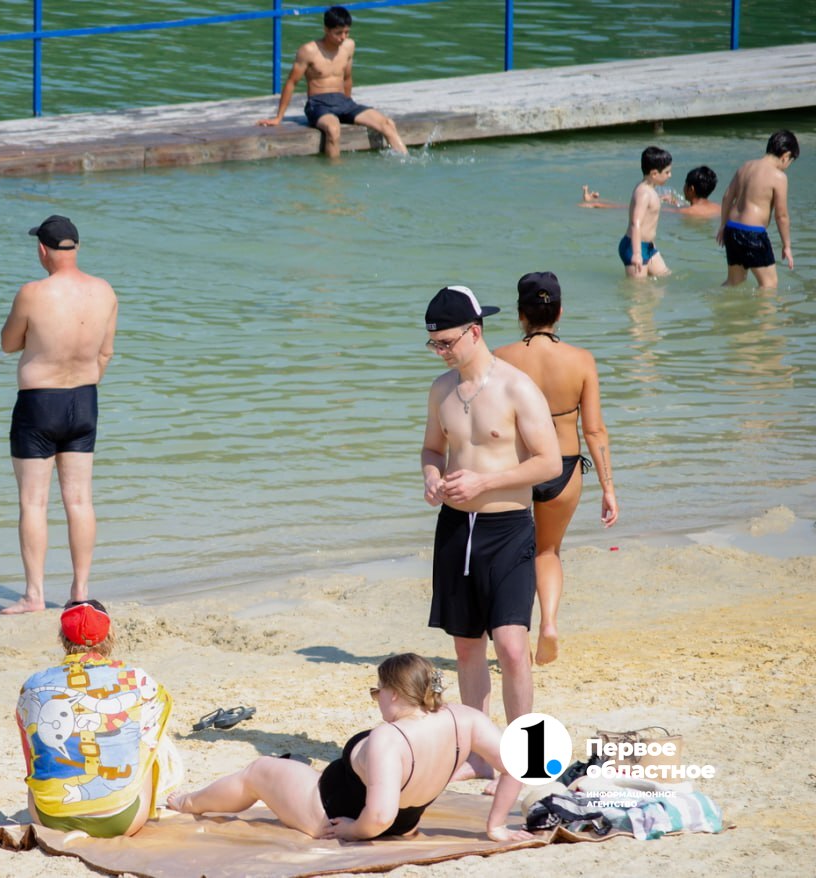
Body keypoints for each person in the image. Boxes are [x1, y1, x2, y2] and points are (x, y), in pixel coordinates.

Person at [167, 653, 533, 843]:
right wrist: (496, 825)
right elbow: (520, 763)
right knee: (297, 773)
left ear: (393, 693)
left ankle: (186, 802)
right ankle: (192, 801)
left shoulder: (390, 737)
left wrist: (352, 831)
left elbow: (380, 815)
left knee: (258, 770)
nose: (377, 699)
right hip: (405, 825)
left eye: (377, 692)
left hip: (329, 814)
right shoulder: (465, 718)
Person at [420, 286, 559, 780]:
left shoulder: (517, 387)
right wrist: (432, 476)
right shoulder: (441, 389)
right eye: (433, 344)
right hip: (456, 530)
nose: (440, 351)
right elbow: (432, 450)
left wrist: (484, 482)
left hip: (507, 529)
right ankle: (478, 756)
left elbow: (549, 462)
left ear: (474, 332)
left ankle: (526, 759)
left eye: (446, 342)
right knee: (466, 647)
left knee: (513, 647)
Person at [493, 272, 619, 666]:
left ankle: (510, 635)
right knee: (547, 551)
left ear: (520, 314)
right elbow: (594, 430)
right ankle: (548, 623)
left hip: (516, 467)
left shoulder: (500, 358)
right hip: (563, 469)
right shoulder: (582, 361)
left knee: (507, 554)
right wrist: (608, 488)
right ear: (560, 311)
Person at [0, 215, 117, 615]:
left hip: (39, 403)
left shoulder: (32, 293)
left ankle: (34, 595)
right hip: (84, 401)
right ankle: (80, 592)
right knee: (80, 500)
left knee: (33, 502)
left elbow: (8, 343)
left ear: (42, 250)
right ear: (76, 247)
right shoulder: (105, 292)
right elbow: (106, 352)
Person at [16, 600, 180, 837]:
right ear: (110, 633)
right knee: (149, 734)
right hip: (122, 820)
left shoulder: (33, 685)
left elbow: (31, 759)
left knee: (38, 738)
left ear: (62, 636)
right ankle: (116, 798)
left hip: (48, 818)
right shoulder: (136, 678)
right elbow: (152, 733)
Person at [256, 6, 407, 158]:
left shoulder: (349, 46)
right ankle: (334, 171)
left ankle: (405, 162)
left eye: (346, 32)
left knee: (387, 124)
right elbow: (291, 83)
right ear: (326, 30)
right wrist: (278, 118)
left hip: (344, 102)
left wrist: (348, 103)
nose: (343, 37)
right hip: (318, 105)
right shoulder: (309, 51)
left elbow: (347, 78)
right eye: (338, 33)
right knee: (333, 130)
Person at [717, 130, 799, 288]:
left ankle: (719, 303)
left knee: (734, 282)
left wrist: (722, 225)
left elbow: (727, 197)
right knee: (769, 284)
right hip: (752, 234)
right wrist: (787, 246)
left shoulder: (746, 166)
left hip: (731, 229)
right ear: (786, 156)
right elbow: (781, 216)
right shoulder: (779, 177)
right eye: (790, 162)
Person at [619, 146, 673, 278]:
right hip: (635, 247)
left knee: (665, 277)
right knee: (639, 289)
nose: (670, 175)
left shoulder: (648, 189)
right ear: (654, 174)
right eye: (667, 172)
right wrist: (637, 254)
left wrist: (660, 199)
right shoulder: (643, 193)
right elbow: (635, 223)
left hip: (649, 247)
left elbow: (648, 206)